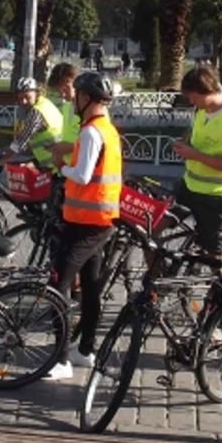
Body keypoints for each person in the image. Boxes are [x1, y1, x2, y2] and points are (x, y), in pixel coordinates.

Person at [47, 71, 123, 381]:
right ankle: (85, 350)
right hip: (99, 219)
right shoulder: (108, 129)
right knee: (90, 287)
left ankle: (61, 358)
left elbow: (81, 174)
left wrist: (59, 165)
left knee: (59, 284)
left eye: (77, 96)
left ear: (86, 99)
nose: (74, 101)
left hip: (85, 223)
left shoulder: (92, 132)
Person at [172, 65, 222, 257]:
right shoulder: (201, 111)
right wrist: (184, 144)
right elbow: (195, 138)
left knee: (215, 257)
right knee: (156, 228)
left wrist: (195, 155)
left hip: (218, 198)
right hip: (190, 188)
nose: (190, 101)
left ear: (206, 91)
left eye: (192, 96)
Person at [8, 76, 65, 169]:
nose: (24, 102)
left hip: (54, 165)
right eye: (20, 98)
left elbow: (22, 140)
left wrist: (3, 159)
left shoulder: (36, 111)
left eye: (27, 97)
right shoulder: (44, 102)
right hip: (58, 161)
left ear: (36, 93)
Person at [46, 63, 80, 164]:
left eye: (67, 85)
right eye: (60, 88)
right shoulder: (63, 104)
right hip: (64, 159)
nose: (63, 92)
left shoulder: (81, 105)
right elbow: (69, 130)